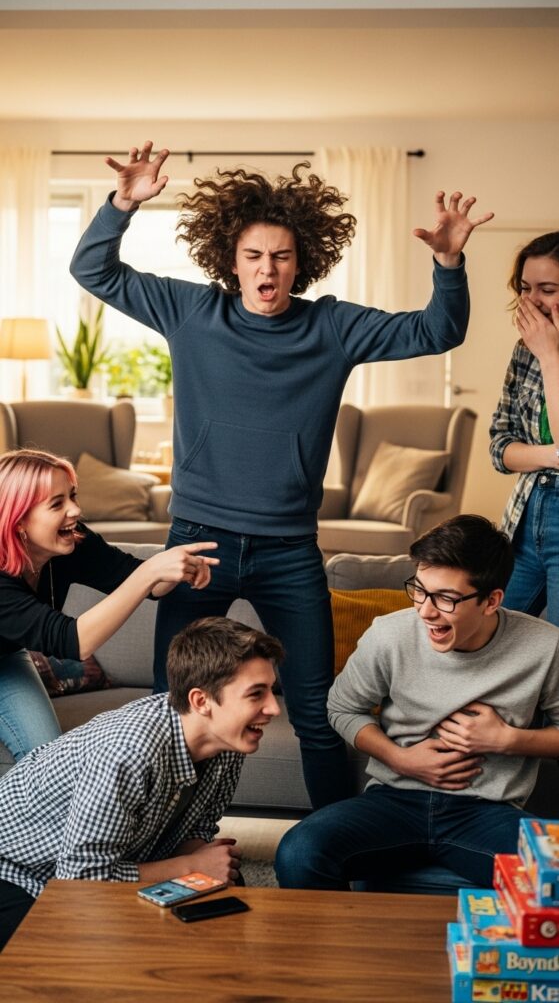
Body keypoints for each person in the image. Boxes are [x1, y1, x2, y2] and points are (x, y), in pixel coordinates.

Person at [69, 139, 494, 809]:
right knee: (169, 708)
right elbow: (93, 270)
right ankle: (165, 838)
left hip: (288, 552)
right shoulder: (191, 312)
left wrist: (447, 262)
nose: (267, 269)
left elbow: (436, 332)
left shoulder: (332, 327)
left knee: (320, 712)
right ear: (230, 261)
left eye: (281, 256)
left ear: (302, 262)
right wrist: (123, 204)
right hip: (197, 542)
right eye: (253, 256)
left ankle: (330, 853)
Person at [274, 514, 559, 891]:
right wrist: (400, 758)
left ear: (492, 601)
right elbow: (341, 708)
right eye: (420, 590)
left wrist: (506, 740)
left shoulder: (544, 645)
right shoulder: (390, 635)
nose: (425, 610)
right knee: (298, 852)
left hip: (488, 812)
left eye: (445, 598)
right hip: (394, 801)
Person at [0, 615, 283, 950]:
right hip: (19, 871)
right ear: (201, 701)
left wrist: (203, 864)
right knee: (73, 962)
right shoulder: (129, 751)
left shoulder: (227, 742)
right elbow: (80, 879)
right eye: (256, 694)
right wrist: (190, 866)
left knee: (226, 908)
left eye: (272, 691)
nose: (274, 708)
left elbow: (201, 825)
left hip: (108, 860)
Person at [0, 447, 219, 760]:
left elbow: (139, 579)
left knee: (48, 761)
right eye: (57, 503)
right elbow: (76, 641)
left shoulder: (71, 540)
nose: (75, 510)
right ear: (19, 520)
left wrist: (178, 566)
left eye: (72, 496)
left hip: (6, 660)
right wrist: (150, 572)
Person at [490, 232, 559, 625]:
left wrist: (552, 355)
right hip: (526, 512)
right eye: (525, 288)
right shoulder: (523, 349)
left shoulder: (541, 350)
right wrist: (552, 456)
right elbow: (500, 447)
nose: (531, 301)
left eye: (546, 289)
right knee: (494, 635)